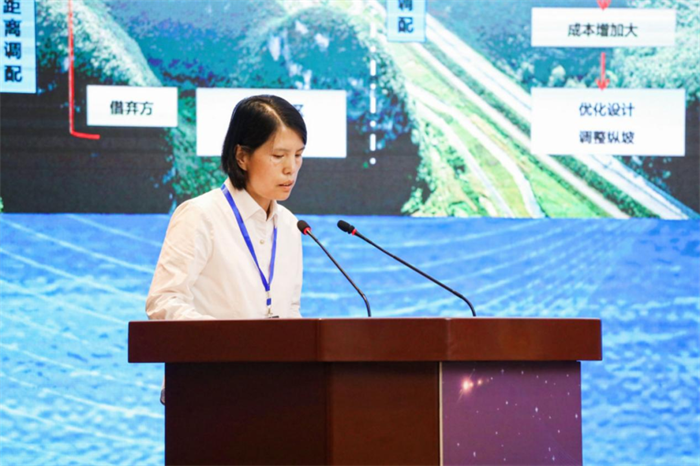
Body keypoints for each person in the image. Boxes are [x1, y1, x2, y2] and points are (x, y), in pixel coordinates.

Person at [146, 94, 306, 322]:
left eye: (298, 155)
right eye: (278, 156)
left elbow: (291, 310)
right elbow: (163, 301)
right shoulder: (200, 215)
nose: (291, 168)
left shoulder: (291, 225)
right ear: (242, 156)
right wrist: (227, 337)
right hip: (214, 347)